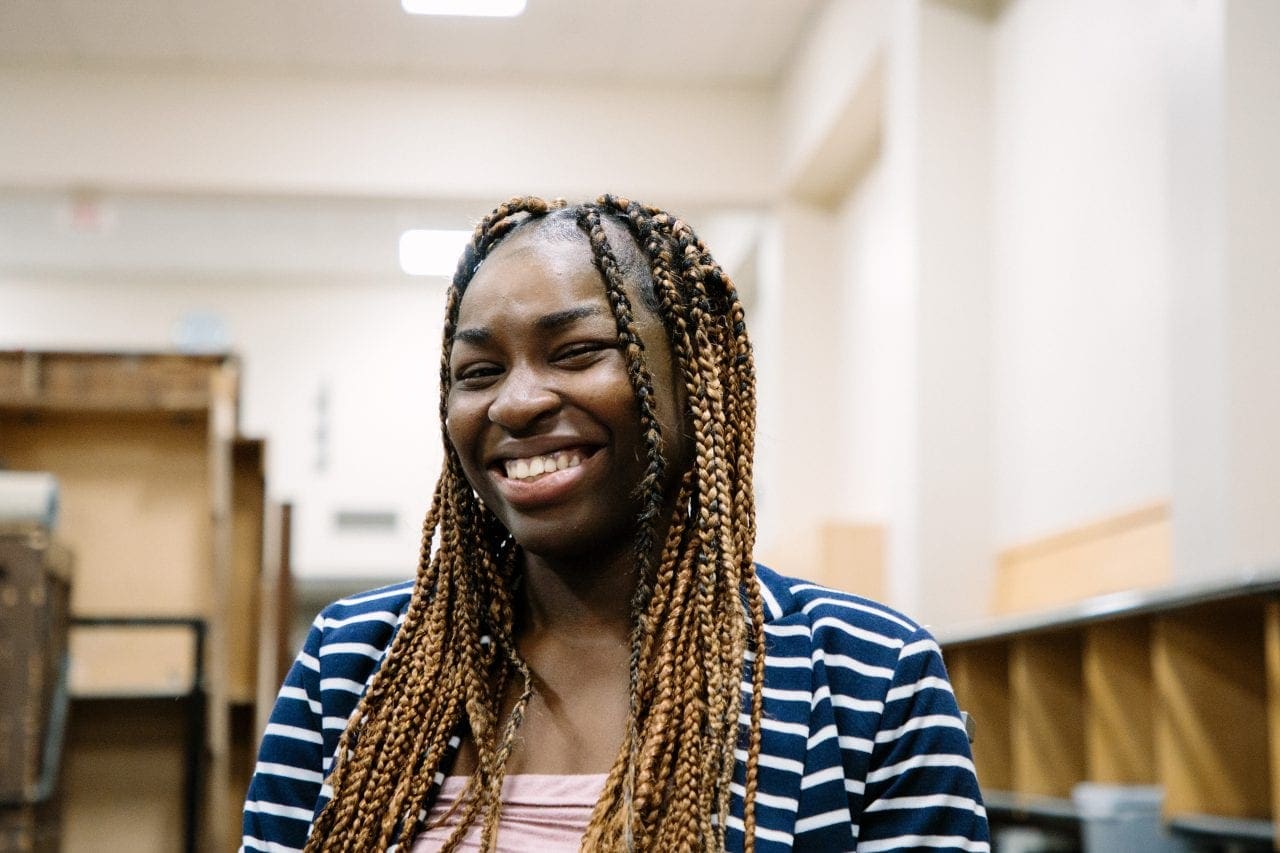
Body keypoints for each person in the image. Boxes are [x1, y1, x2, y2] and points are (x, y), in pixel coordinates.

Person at [241, 195, 990, 852]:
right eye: (479, 371)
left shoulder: (871, 677)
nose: (516, 401)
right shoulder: (351, 667)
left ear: (692, 388)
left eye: (577, 352)